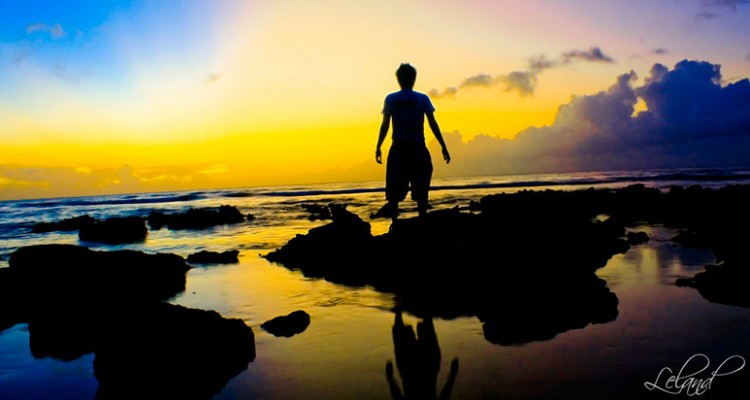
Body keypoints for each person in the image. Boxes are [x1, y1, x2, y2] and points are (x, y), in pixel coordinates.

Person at [375, 63, 450, 220]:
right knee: (421, 190)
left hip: (399, 149)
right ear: (414, 79)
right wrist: (443, 146)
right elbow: (433, 123)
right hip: (417, 149)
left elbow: (385, 125)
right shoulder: (422, 98)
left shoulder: (391, 98)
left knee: (394, 192)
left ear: (398, 79)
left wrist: (379, 146)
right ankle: (422, 219)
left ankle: (395, 224)